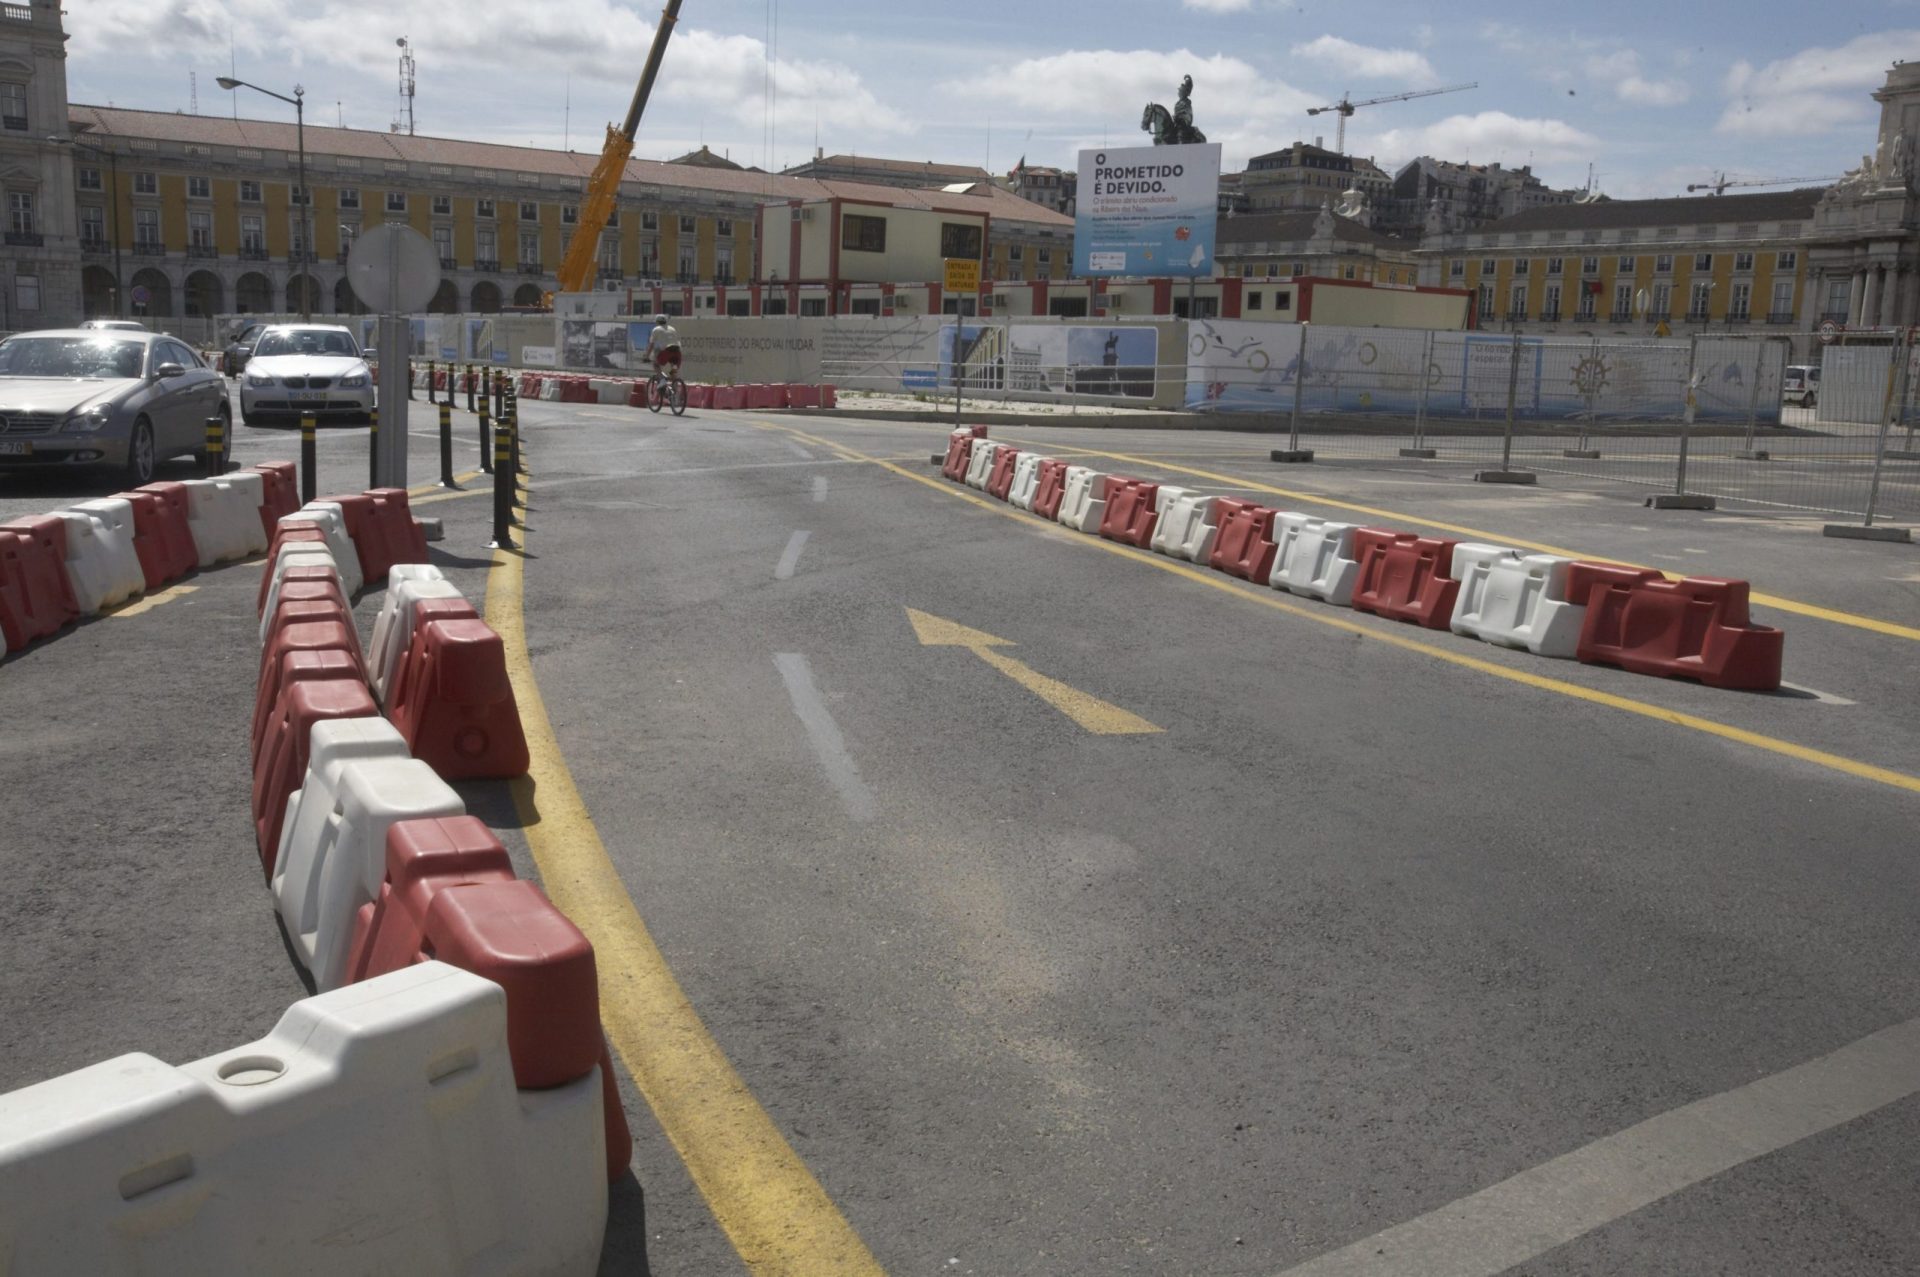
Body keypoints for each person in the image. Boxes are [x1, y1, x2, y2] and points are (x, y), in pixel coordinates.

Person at [643, 314, 683, 384]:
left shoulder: (656, 329)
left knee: (656, 364)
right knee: (673, 371)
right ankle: (675, 392)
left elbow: (651, 345)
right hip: (677, 352)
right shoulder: (672, 328)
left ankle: (662, 380)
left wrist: (646, 356)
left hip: (667, 351)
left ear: (657, 322)